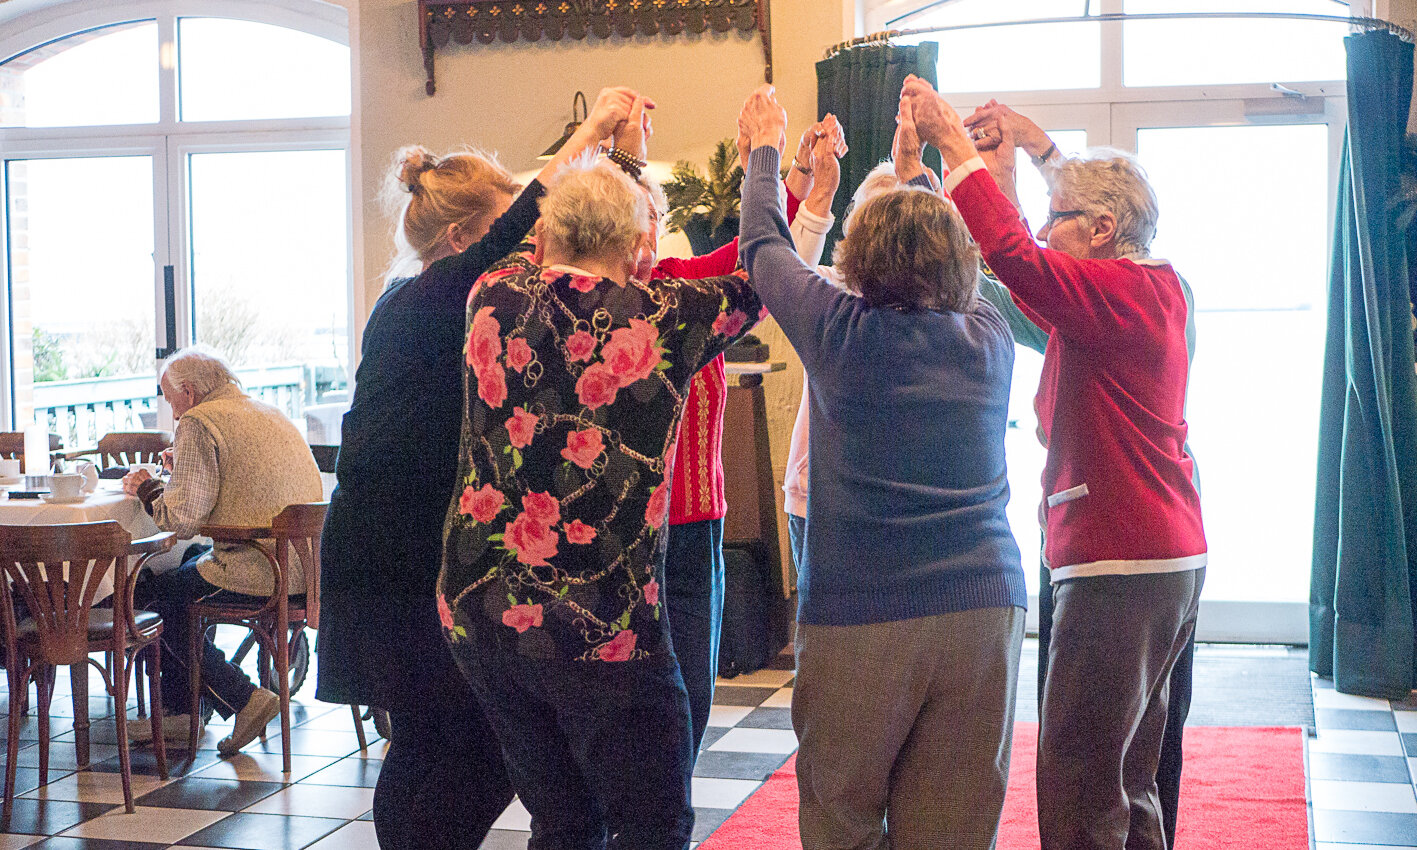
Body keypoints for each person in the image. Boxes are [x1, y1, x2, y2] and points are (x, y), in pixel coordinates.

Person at [313, 88, 639, 850]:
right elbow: (527, 222)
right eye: (499, 234)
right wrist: (590, 136)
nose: (522, 248)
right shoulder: (426, 299)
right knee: (489, 742)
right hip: (396, 562)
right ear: (460, 237)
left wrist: (618, 161)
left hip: (392, 553)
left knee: (431, 739)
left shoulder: (428, 304)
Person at [437, 94, 764, 850]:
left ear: (551, 231)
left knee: (563, 819)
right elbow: (768, 274)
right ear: (641, 241)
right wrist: (770, 167)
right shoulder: (659, 315)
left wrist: (597, 139)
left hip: (479, 615)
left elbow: (526, 218)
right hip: (600, 626)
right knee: (652, 823)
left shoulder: (492, 295)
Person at [902, 76, 1206, 849]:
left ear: (1102, 229)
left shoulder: (1116, 295)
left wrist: (954, 145)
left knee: (1079, 776)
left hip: (1119, 556)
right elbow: (1039, 264)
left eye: (1058, 219)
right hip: (1157, 554)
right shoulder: (1151, 288)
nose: (1043, 228)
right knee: (1126, 772)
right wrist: (1034, 154)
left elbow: (1015, 258)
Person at [738, 84, 1026, 850]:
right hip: (983, 606)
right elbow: (947, 251)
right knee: (955, 831)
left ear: (857, 262)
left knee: (843, 819)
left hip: (863, 613)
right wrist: (915, 172)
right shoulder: (989, 333)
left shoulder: (839, 331)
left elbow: (764, 250)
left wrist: (764, 154)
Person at [658, 115, 842, 759]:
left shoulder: (671, 279)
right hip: (650, 526)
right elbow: (753, 269)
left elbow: (750, 257)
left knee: (693, 700)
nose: (650, 237)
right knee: (663, 703)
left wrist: (794, 176)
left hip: (701, 517)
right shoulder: (650, 299)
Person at [124, 346, 323, 755]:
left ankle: (243, 698)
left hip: (259, 568)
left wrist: (147, 486)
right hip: (307, 570)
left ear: (189, 392)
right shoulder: (268, 411)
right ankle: (182, 711)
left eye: (170, 401)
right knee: (185, 569)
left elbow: (180, 520)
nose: (173, 414)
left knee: (155, 600)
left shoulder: (199, 421)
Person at [782, 116, 936, 577]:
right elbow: (784, 268)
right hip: (818, 500)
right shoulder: (830, 290)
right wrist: (818, 187)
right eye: (874, 222)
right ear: (852, 233)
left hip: (905, 501)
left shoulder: (940, 303)